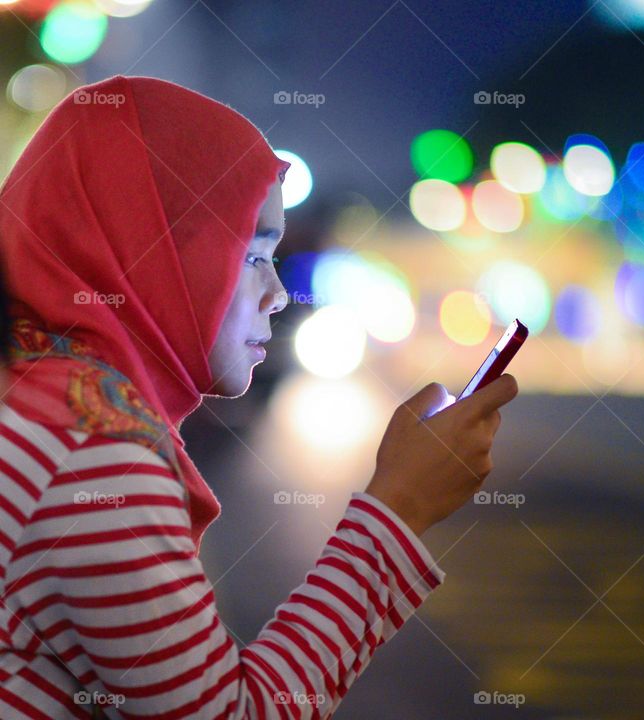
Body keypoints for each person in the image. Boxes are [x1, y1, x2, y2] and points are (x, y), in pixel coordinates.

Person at [0, 75, 518, 719]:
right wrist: (400, 507)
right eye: (251, 256)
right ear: (150, 245)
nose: (277, 294)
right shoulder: (93, 447)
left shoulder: (35, 388)